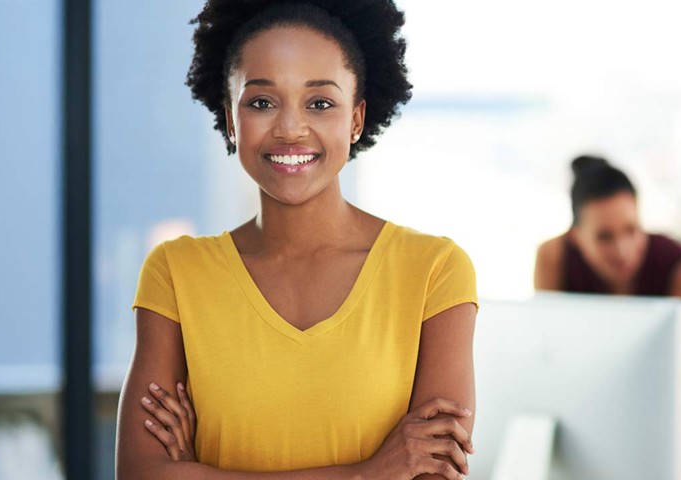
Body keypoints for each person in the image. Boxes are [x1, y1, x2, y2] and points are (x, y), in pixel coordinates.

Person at [115, 1, 479, 478]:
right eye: (261, 102)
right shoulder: (176, 272)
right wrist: (368, 473)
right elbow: (141, 474)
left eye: (320, 103)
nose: (289, 128)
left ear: (356, 118)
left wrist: (196, 471)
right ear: (230, 118)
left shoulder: (433, 270)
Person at [534, 155, 681, 421]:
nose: (623, 250)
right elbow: (548, 352)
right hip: (596, 408)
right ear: (574, 237)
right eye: (604, 237)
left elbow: (671, 375)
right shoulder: (554, 256)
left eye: (631, 230)